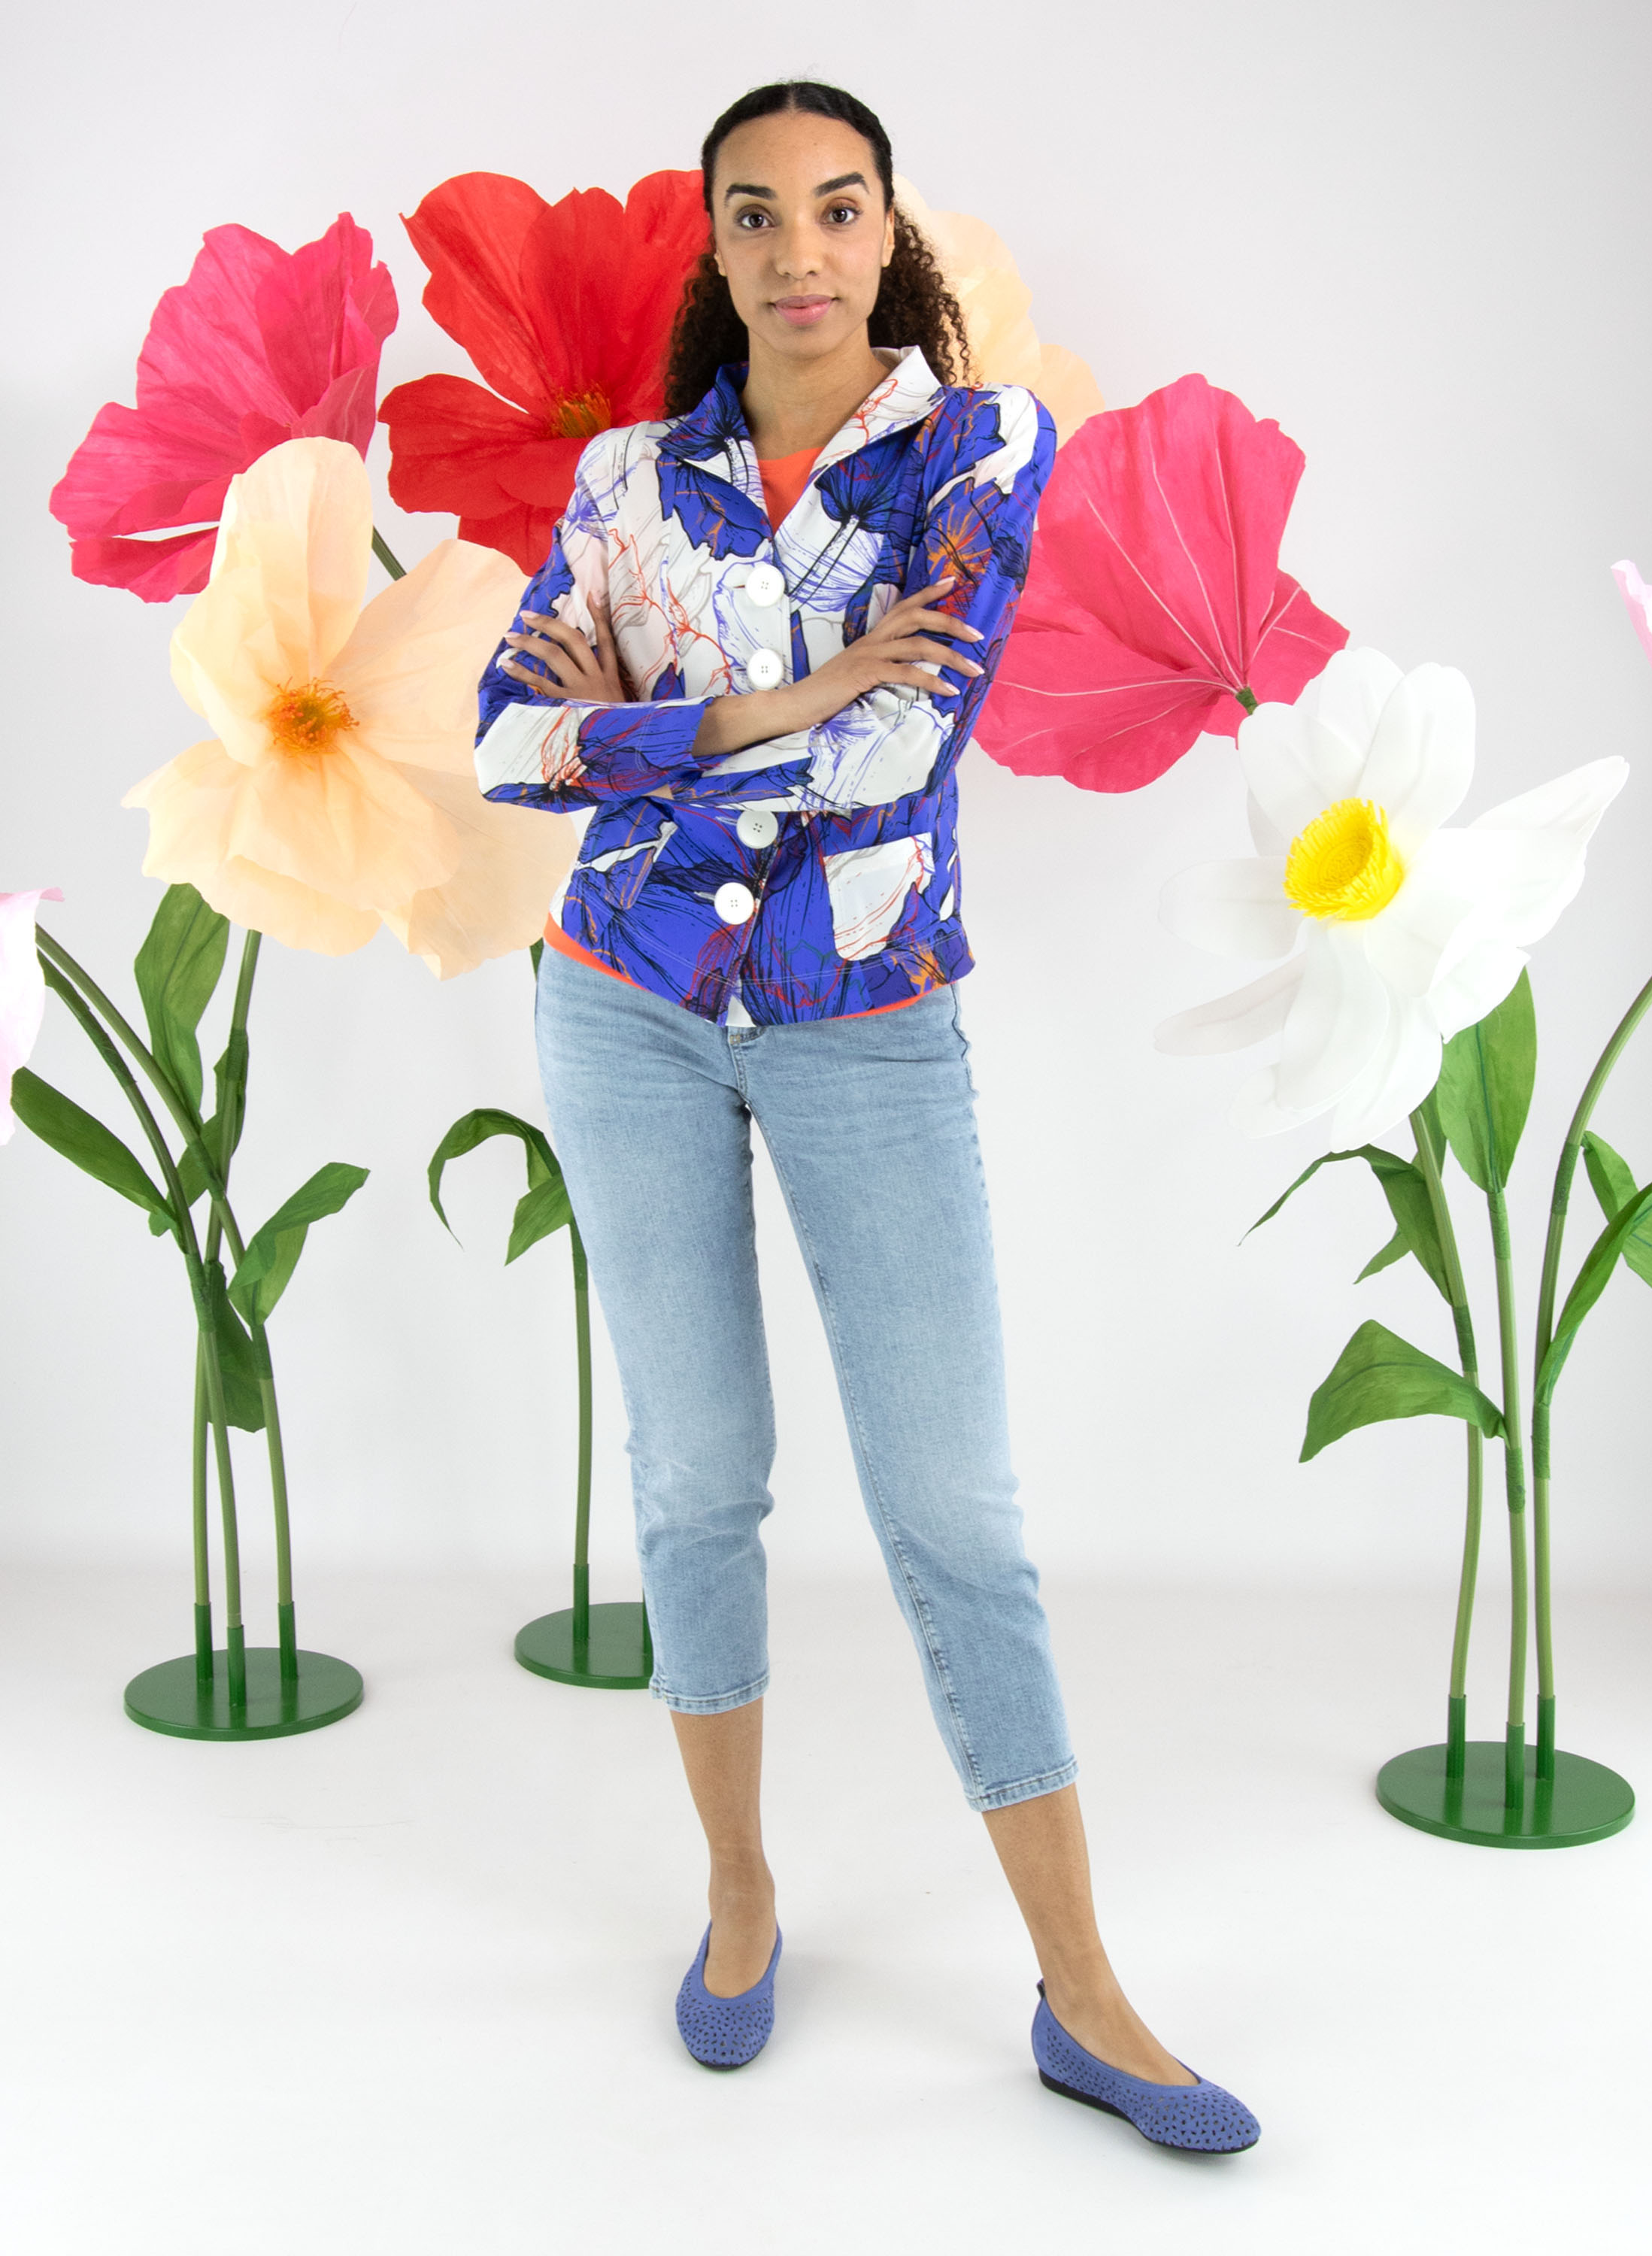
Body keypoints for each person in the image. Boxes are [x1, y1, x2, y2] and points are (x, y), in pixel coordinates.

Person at [474, 78, 1258, 2155]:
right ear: (715, 247)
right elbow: (505, 746)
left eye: (837, 208)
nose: (799, 249)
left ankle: (1082, 1992)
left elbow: (902, 751)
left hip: (867, 1021)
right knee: (692, 1485)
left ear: (887, 229)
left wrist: (674, 731)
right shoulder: (630, 478)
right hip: (621, 1006)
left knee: (954, 1516)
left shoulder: (977, 448)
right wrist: (784, 696)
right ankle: (738, 1896)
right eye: (756, 214)